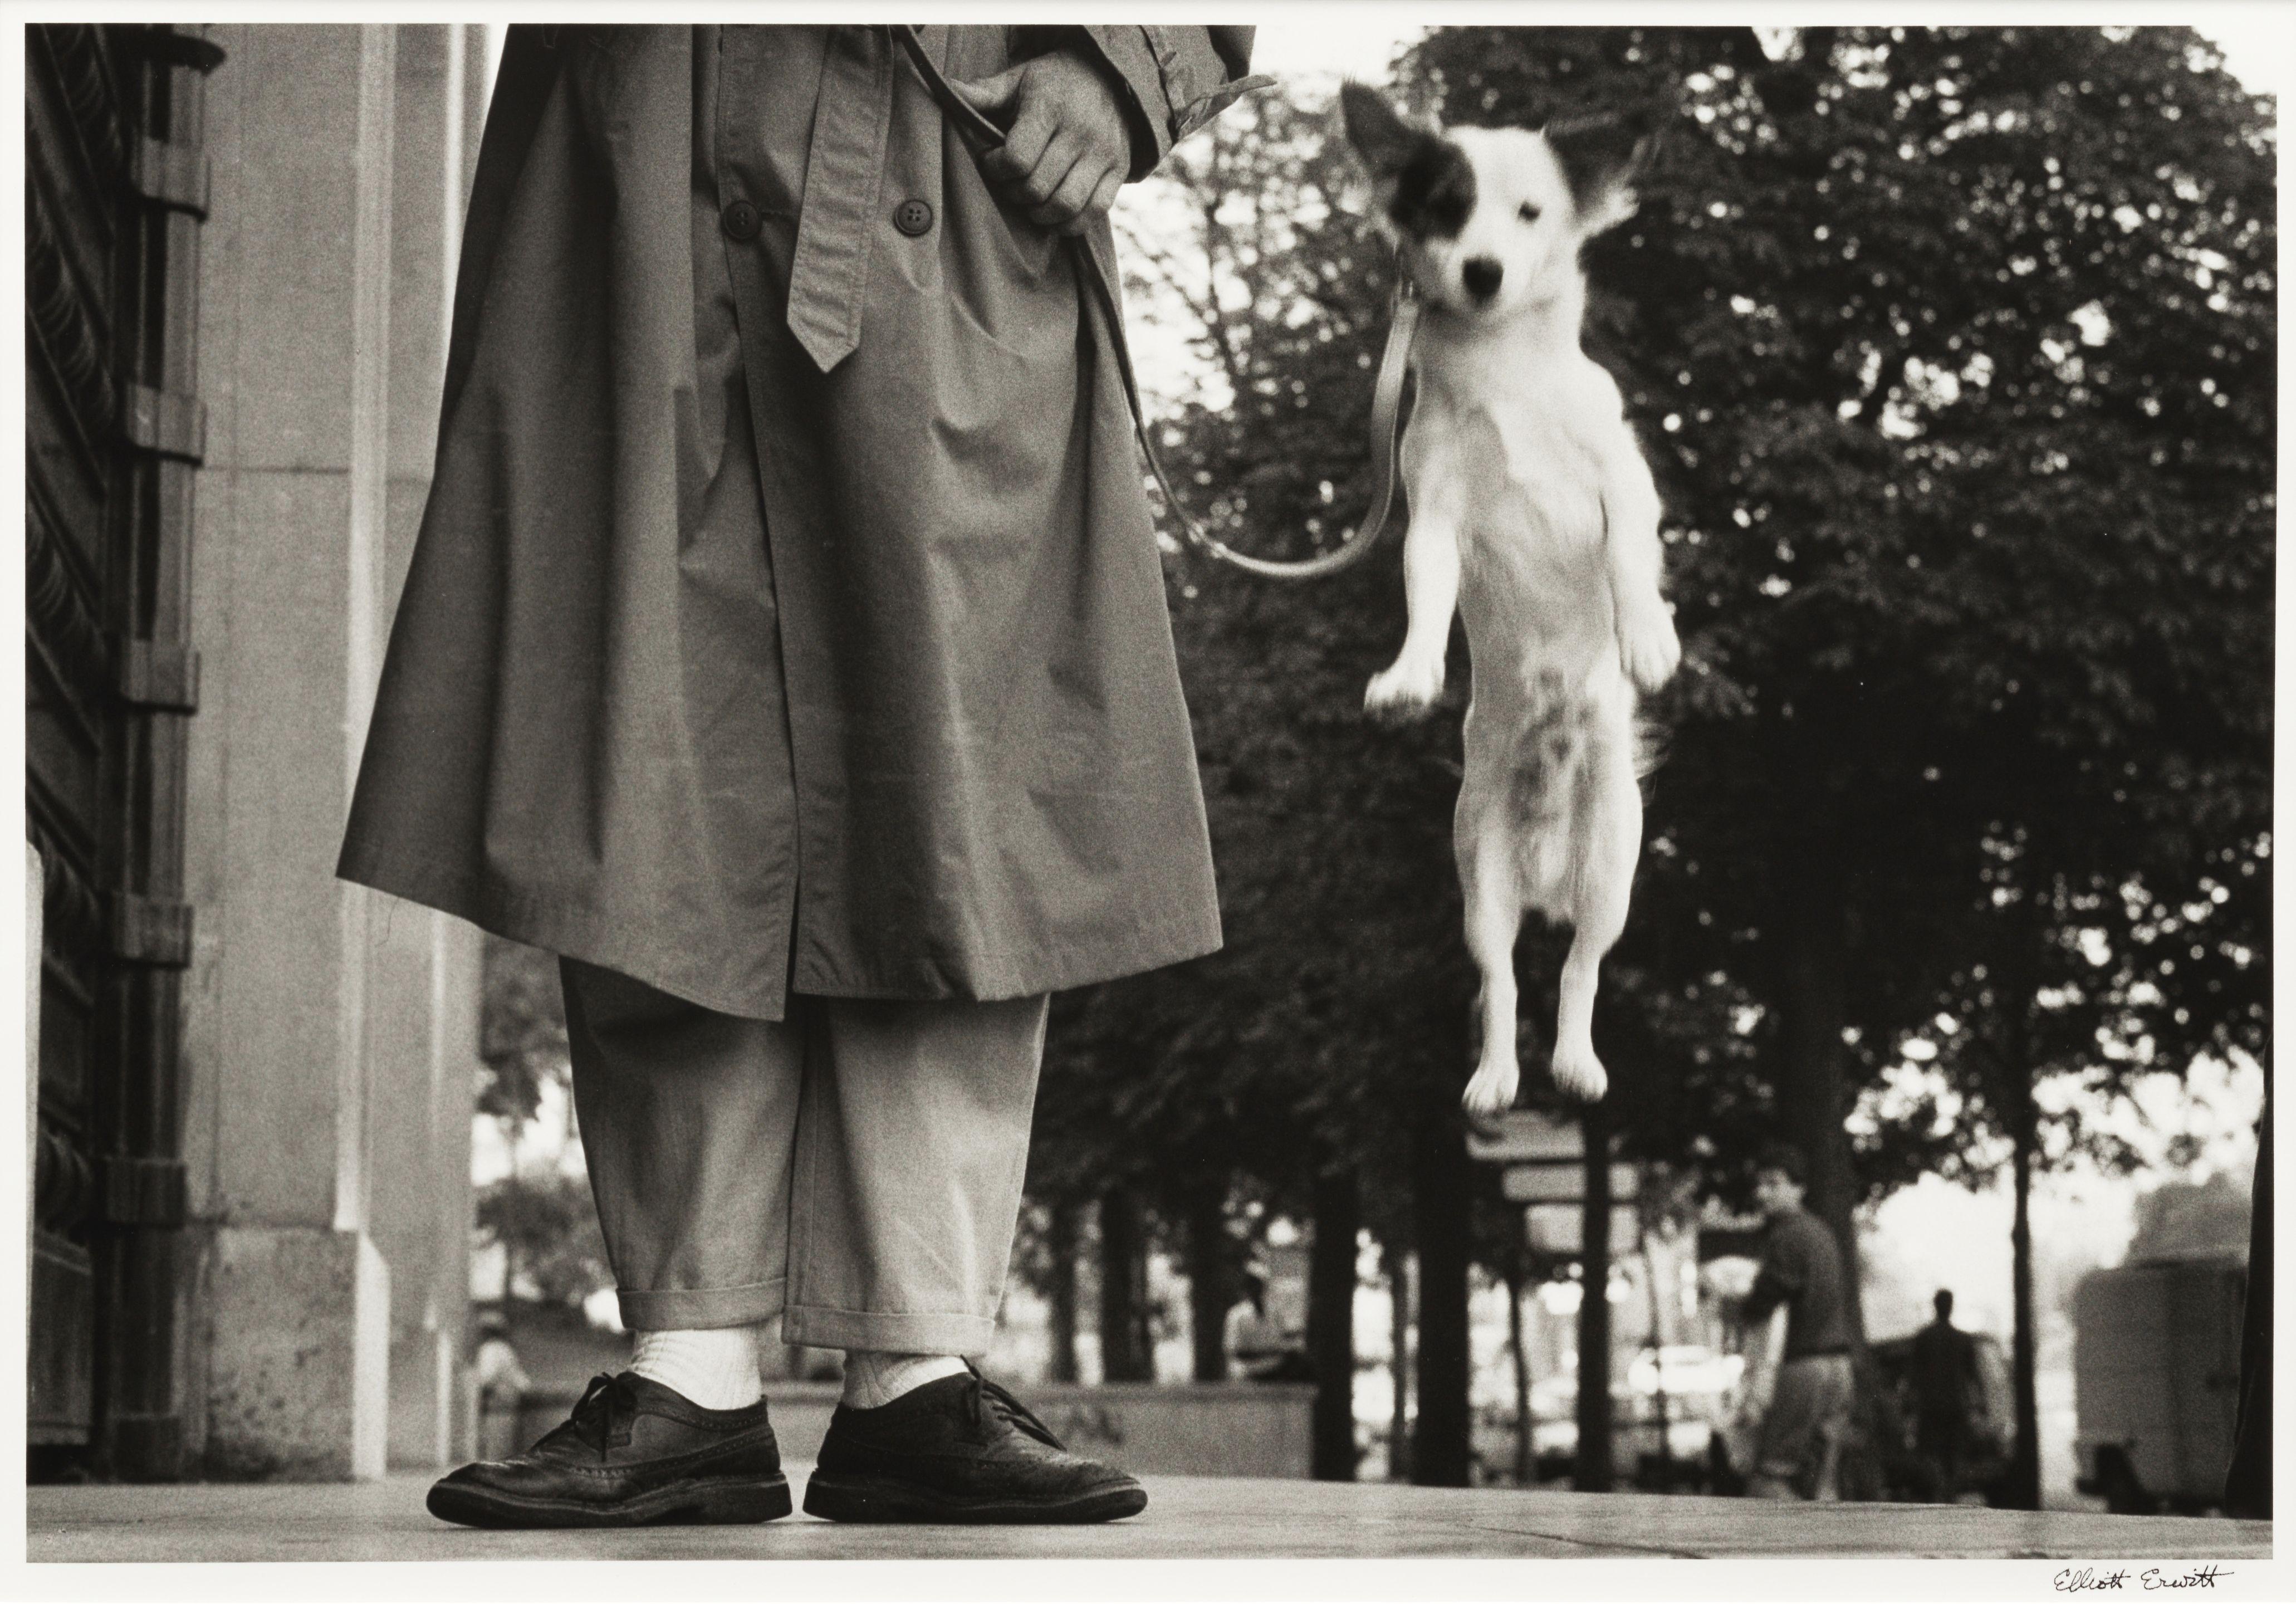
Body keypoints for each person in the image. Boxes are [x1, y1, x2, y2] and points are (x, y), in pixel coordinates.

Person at [338, 23, 1261, 1528]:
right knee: (642, 745)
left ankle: (917, 1362)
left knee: (953, 769)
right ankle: (692, 1364)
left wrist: (1130, 56)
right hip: (638, 141)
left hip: (944, 133)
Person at [1737, 1143, 1856, 1500]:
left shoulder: (1787, 1235)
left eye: (1774, 1184)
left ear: (1799, 1187)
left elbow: (1762, 1304)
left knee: (1768, 1479)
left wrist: (1739, 1304)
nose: (1762, 1193)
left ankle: (1781, 1539)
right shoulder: (1822, 1233)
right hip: (1840, 1369)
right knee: (1822, 1484)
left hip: (1805, 1368)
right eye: (1760, 1185)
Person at [1908, 1289, 1982, 1501]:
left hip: (1931, 1408)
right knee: (1953, 1457)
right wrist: (1978, 1405)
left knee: (1932, 1455)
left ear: (1935, 1306)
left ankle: (1940, 1492)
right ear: (1951, 1307)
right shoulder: (1963, 1340)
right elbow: (1974, 1378)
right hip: (1956, 1408)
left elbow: (1913, 1377)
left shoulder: (1923, 1338)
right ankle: (1949, 1493)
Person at [472, 1310, 533, 1463]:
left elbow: (487, 1378)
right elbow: (522, 1381)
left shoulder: (490, 1350)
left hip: (497, 1403)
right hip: (511, 1403)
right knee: (507, 1444)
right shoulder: (506, 1350)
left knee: (495, 1445)